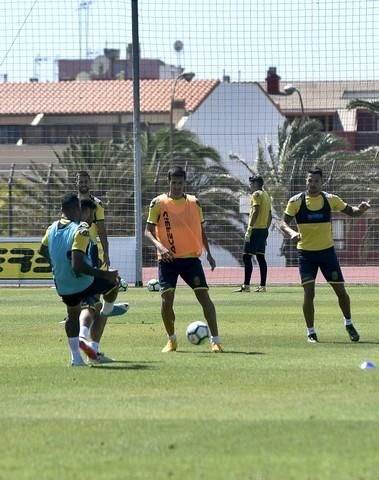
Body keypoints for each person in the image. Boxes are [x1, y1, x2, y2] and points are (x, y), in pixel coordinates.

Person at [280, 166, 370, 343]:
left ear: (322, 182)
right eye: (309, 181)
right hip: (306, 255)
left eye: (316, 181)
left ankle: (349, 323)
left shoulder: (330, 199)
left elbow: (352, 212)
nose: (312, 184)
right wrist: (292, 233)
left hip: (327, 254)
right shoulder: (296, 201)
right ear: (306, 182)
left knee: (341, 291)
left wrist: (361, 209)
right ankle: (311, 332)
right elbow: (283, 223)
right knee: (309, 293)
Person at [144, 166, 223, 353]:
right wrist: (161, 247)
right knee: (166, 299)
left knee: (204, 297)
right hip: (167, 260)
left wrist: (209, 253)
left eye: (180, 183)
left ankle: (216, 341)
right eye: (174, 182)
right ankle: (171, 340)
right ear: (168, 182)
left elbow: (201, 230)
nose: (177, 186)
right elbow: (147, 231)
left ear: (184, 183)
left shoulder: (195, 203)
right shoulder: (158, 203)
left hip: (190, 259)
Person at [39, 193, 119, 366]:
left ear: (61, 209)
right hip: (82, 282)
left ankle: (76, 358)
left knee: (72, 315)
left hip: (62, 285)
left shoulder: (51, 228)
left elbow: (42, 250)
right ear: (78, 209)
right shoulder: (81, 229)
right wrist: (105, 274)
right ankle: (106, 311)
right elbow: (78, 266)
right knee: (114, 283)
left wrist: (57, 264)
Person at [234, 175, 272, 293]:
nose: (250, 186)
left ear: (256, 184)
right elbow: (270, 215)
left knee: (246, 256)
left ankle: (246, 286)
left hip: (255, 230)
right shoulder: (266, 196)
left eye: (251, 184)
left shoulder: (256, 195)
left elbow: (256, 211)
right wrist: (266, 229)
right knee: (260, 257)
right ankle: (263, 286)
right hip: (263, 230)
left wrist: (250, 228)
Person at [76, 170, 110, 268]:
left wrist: (106, 253)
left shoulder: (97, 204)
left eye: (85, 182)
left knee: (92, 280)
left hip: (91, 247)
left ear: (89, 183)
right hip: (74, 246)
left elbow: (102, 231)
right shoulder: (71, 203)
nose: (83, 184)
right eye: (81, 182)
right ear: (76, 183)